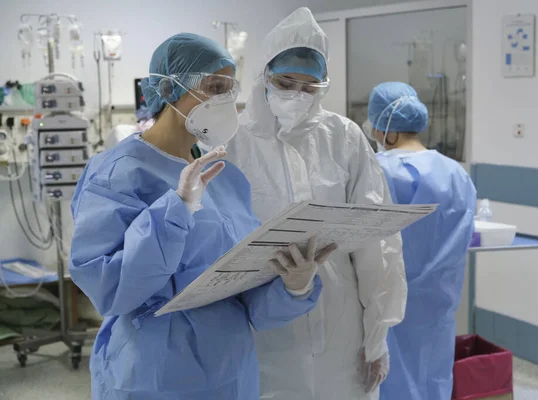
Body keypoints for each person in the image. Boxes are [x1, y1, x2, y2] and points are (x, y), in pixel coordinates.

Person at [68, 33, 338, 400]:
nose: (226, 100)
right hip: (156, 372)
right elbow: (110, 288)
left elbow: (245, 296)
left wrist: (294, 285)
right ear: (168, 88)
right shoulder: (118, 173)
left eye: (230, 88)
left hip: (231, 369)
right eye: (215, 86)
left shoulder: (223, 175)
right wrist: (175, 211)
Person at [225, 8, 407, 400]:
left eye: (309, 88)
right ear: (264, 77)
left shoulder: (343, 137)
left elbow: (377, 244)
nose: (297, 96)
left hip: (342, 329)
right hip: (263, 330)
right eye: (286, 82)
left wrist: (377, 336)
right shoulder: (234, 143)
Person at [366, 82, 477, 400]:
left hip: (387, 308)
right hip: (437, 306)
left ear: (385, 129)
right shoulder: (457, 174)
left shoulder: (380, 171)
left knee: (387, 384)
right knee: (432, 380)